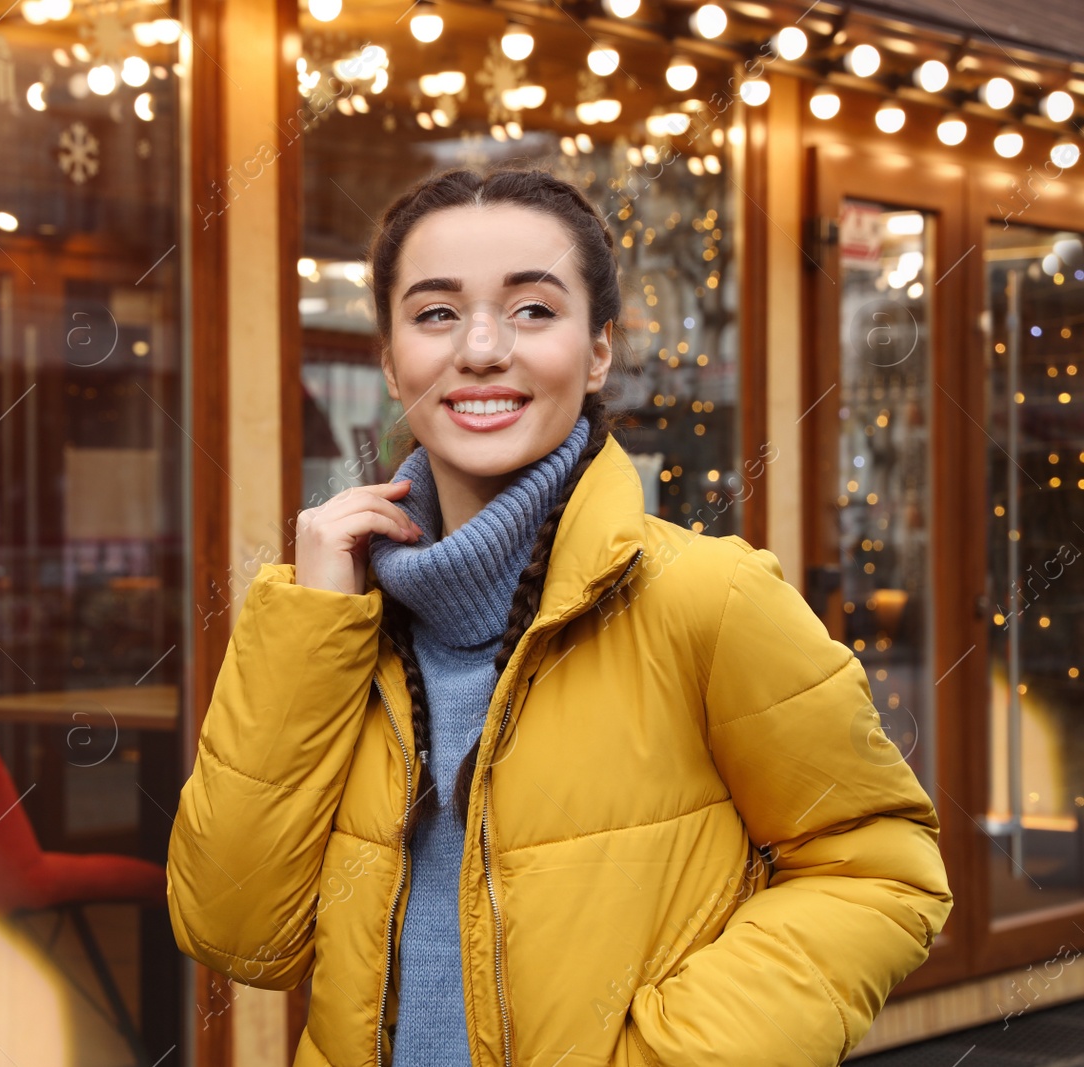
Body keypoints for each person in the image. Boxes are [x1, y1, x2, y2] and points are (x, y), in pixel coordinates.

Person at [165, 164, 952, 1067]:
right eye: (435, 312)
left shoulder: (708, 597)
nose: (484, 347)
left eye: (534, 309)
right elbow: (235, 931)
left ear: (600, 349)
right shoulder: (334, 618)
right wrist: (308, 629)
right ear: (390, 358)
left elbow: (879, 868)